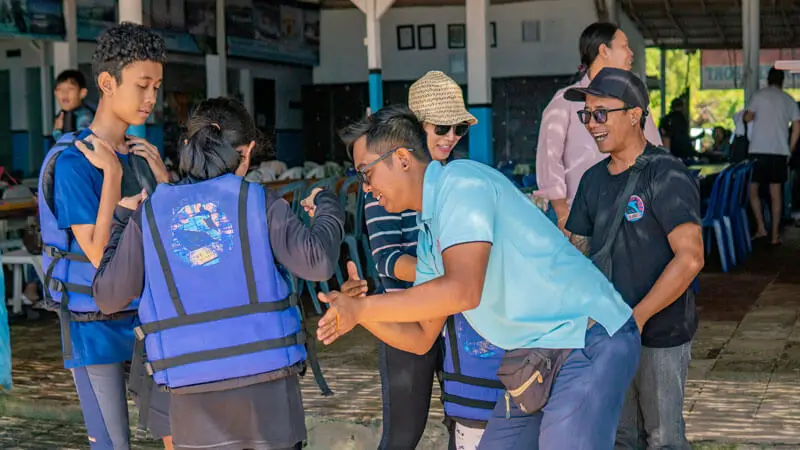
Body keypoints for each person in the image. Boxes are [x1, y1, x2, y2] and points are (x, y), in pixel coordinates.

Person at [319, 104, 640, 449]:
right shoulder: (430, 233)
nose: (365, 188)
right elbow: (420, 337)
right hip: (537, 354)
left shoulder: (461, 184)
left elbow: (463, 291)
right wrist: (357, 313)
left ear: (401, 159)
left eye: (364, 173)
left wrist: (366, 309)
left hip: (587, 336)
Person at [92, 96, 345, 450]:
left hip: (192, 394)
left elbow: (108, 297)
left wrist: (121, 221)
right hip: (267, 389)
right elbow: (317, 262)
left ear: (187, 146)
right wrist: (328, 206)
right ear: (248, 151)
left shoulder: (149, 216)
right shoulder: (259, 200)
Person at [341, 71, 500, 450]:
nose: (450, 137)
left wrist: (456, 276)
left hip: (456, 322)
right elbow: (387, 260)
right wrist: (452, 273)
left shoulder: (458, 181)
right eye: (441, 127)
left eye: (459, 129)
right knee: (403, 434)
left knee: (459, 421)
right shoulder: (384, 183)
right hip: (408, 315)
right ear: (412, 133)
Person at [37, 23, 172, 449]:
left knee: (182, 436)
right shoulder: (74, 161)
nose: (151, 98)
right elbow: (98, 254)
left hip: (146, 318)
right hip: (92, 323)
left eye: (157, 86)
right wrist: (111, 176)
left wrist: (165, 184)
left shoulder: (141, 156)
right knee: (113, 445)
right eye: (143, 85)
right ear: (107, 83)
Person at [562, 67, 704, 450]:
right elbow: (577, 254)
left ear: (635, 115)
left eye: (601, 113)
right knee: (619, 438)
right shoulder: (592, 180)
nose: (591, 124)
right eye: (586, 115)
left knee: (663, 439)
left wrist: (635, 318)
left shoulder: (667, 174)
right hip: (608, 337)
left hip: (661, 335)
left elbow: (690, 259)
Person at [534, 22, 662, 232]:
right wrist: (563, 214)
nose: (631, 54)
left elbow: (654, 152)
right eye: (625, 46)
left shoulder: (634, 103)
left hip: (627, 216)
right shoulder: (565, 101)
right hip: (577, 215)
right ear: (604, 50)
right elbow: (549, 159)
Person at [745, 67, 800, 245]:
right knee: (776, 194)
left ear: (767, 80)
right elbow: (797, 128)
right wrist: (789, 148)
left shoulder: (759, 96)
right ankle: (775, 235)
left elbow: (748, 118)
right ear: (782, 81)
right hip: (779, 152)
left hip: (758, 150)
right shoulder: (788, 100)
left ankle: (761, 227)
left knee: (752, 191)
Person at [52, 69, 96, 142]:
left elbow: (79, 145)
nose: (64, 93)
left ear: (82, 93)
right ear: (55, 93)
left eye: (70, 89)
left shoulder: (85, 116)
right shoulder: (63, 114)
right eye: (59, 89)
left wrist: (57, 133)